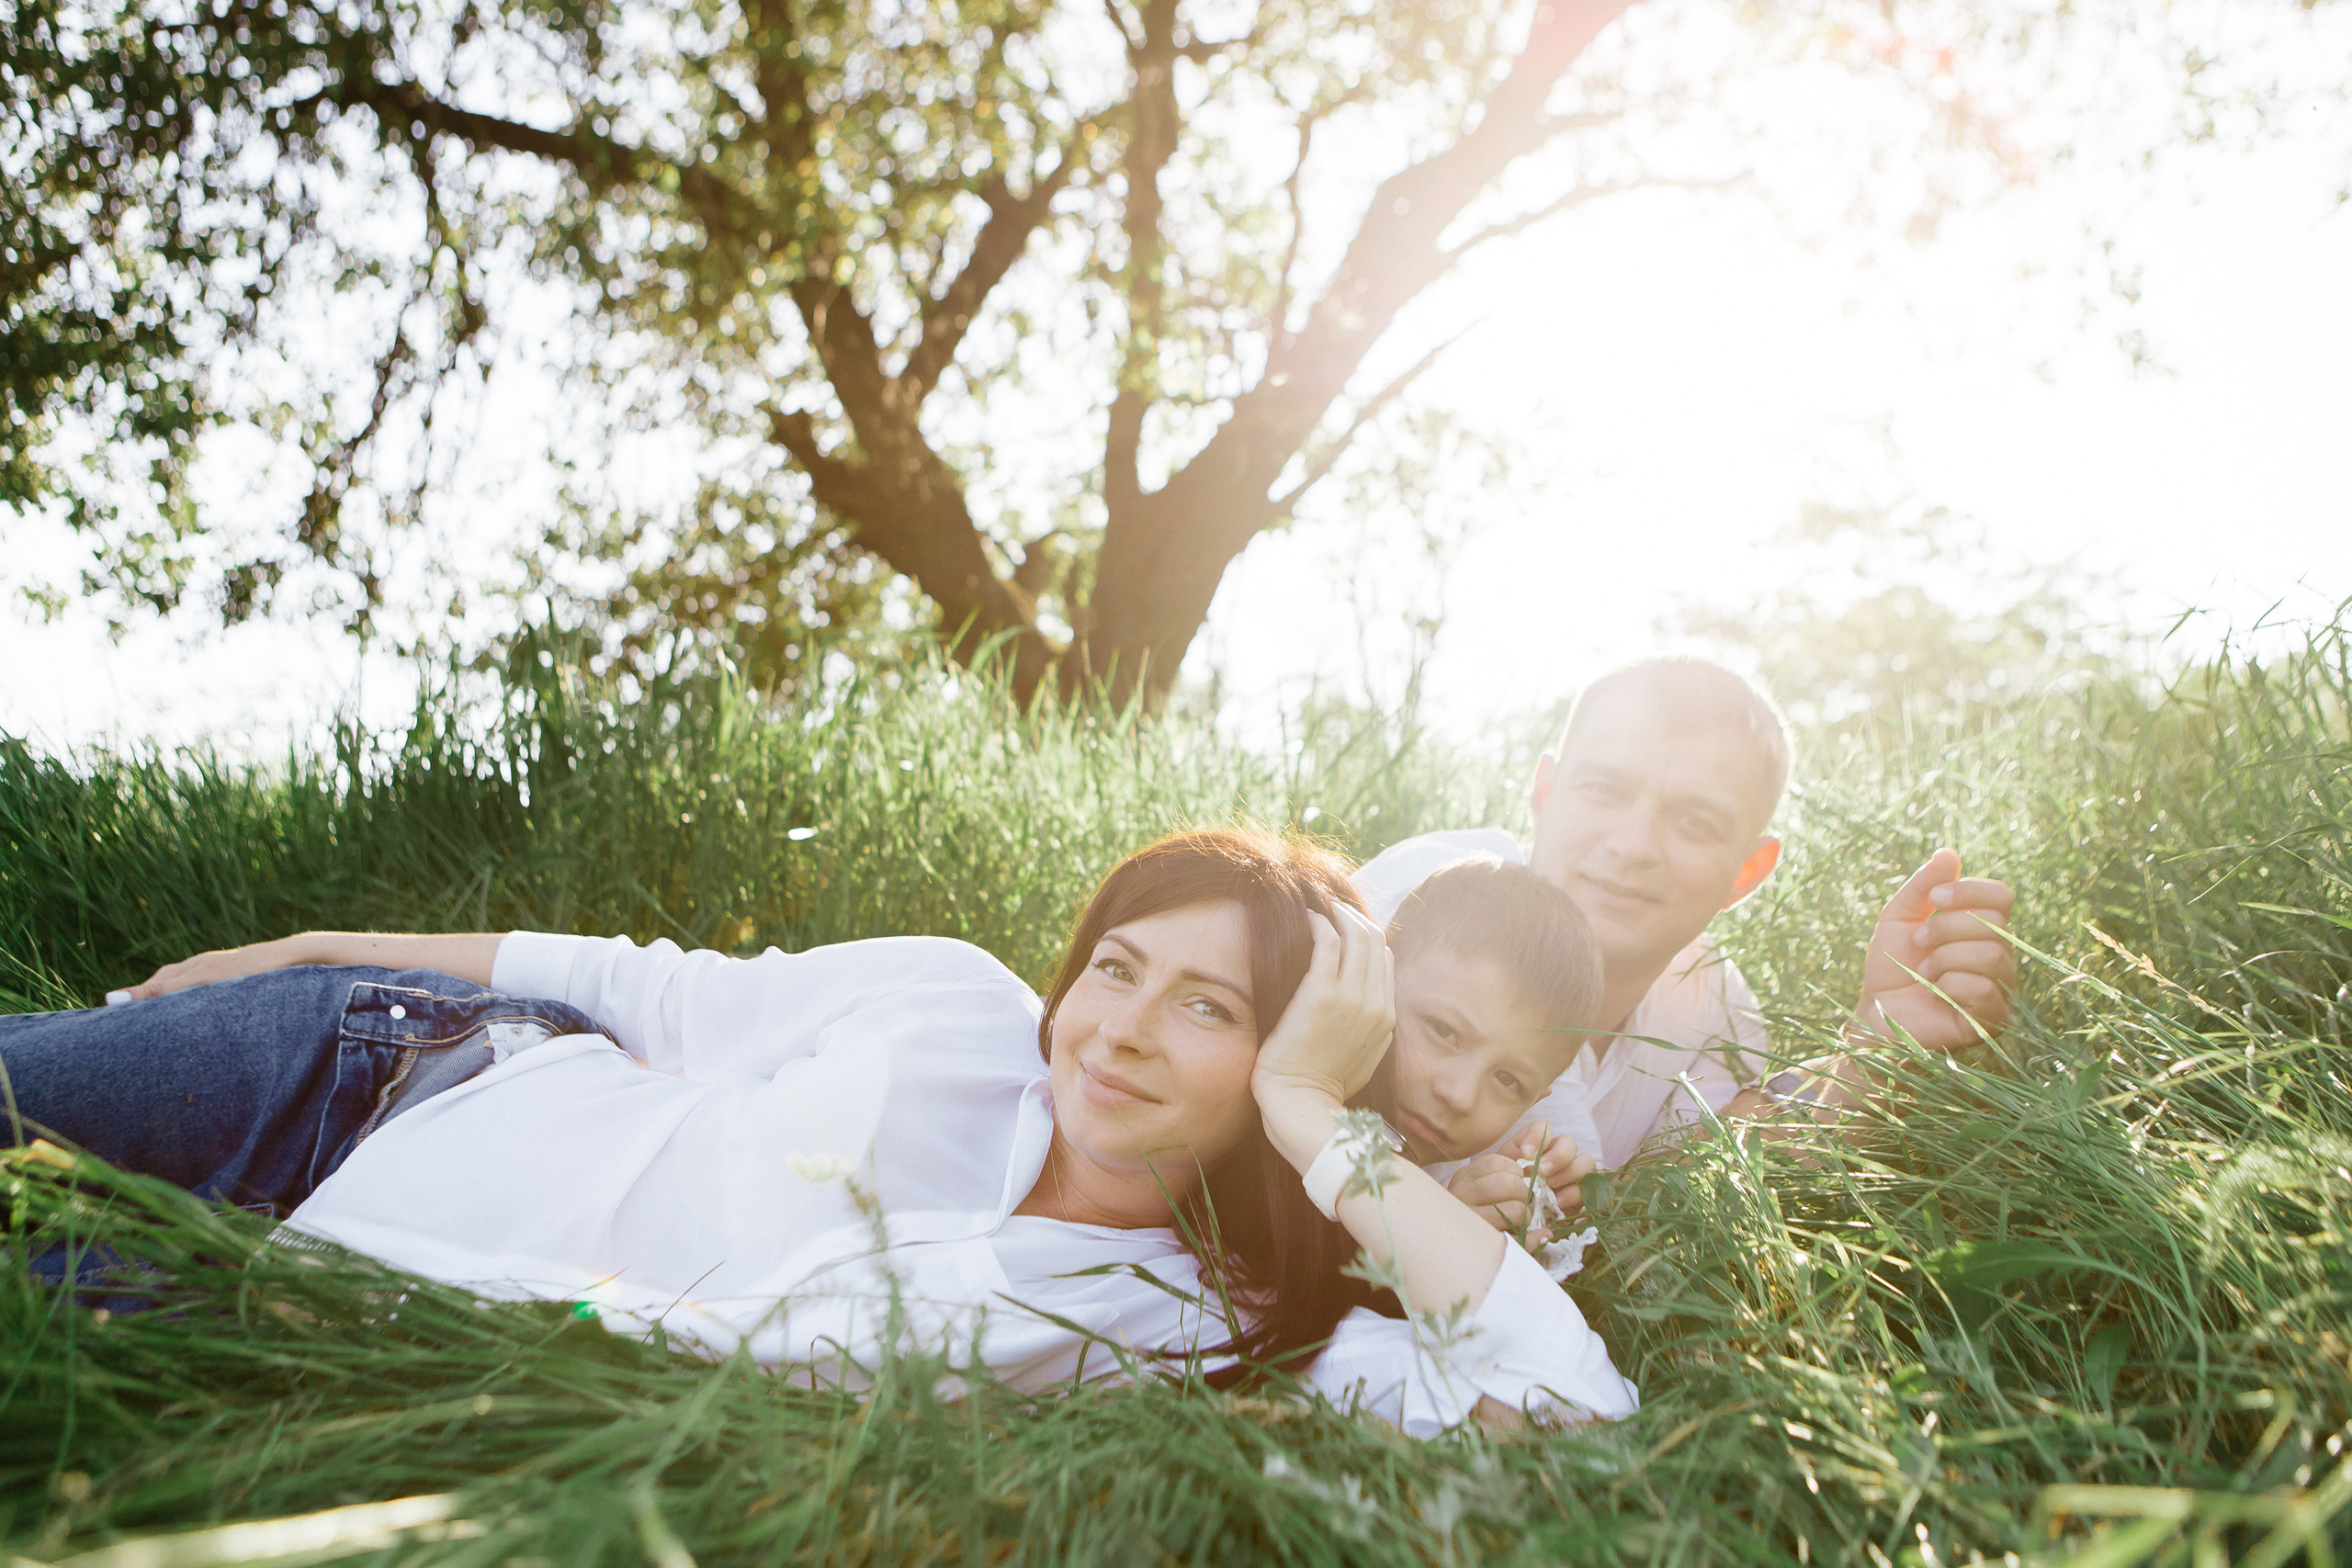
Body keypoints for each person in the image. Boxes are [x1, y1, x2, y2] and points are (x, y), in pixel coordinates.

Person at [3, 829, 1637, 1436]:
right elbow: (626, 979)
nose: (1123, 1024)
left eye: (1209, 1009)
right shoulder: (950, 1002)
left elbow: (1575, 1402)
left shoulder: (1162, 1324)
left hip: (321, 1292)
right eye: (1118, 970)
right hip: (376, 1069)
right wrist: (307, 957)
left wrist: (1310, 1122)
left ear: (1288, 1059)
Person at [1356, 657, 2018, 1221]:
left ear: (1748, 870)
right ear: (1544, 792)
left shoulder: (1715, 1011)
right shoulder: (1418, 906)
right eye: (1604, 789)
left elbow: (1670, 1204)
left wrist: (1874, 1045)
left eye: (1695, 822)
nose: (1634, 845)